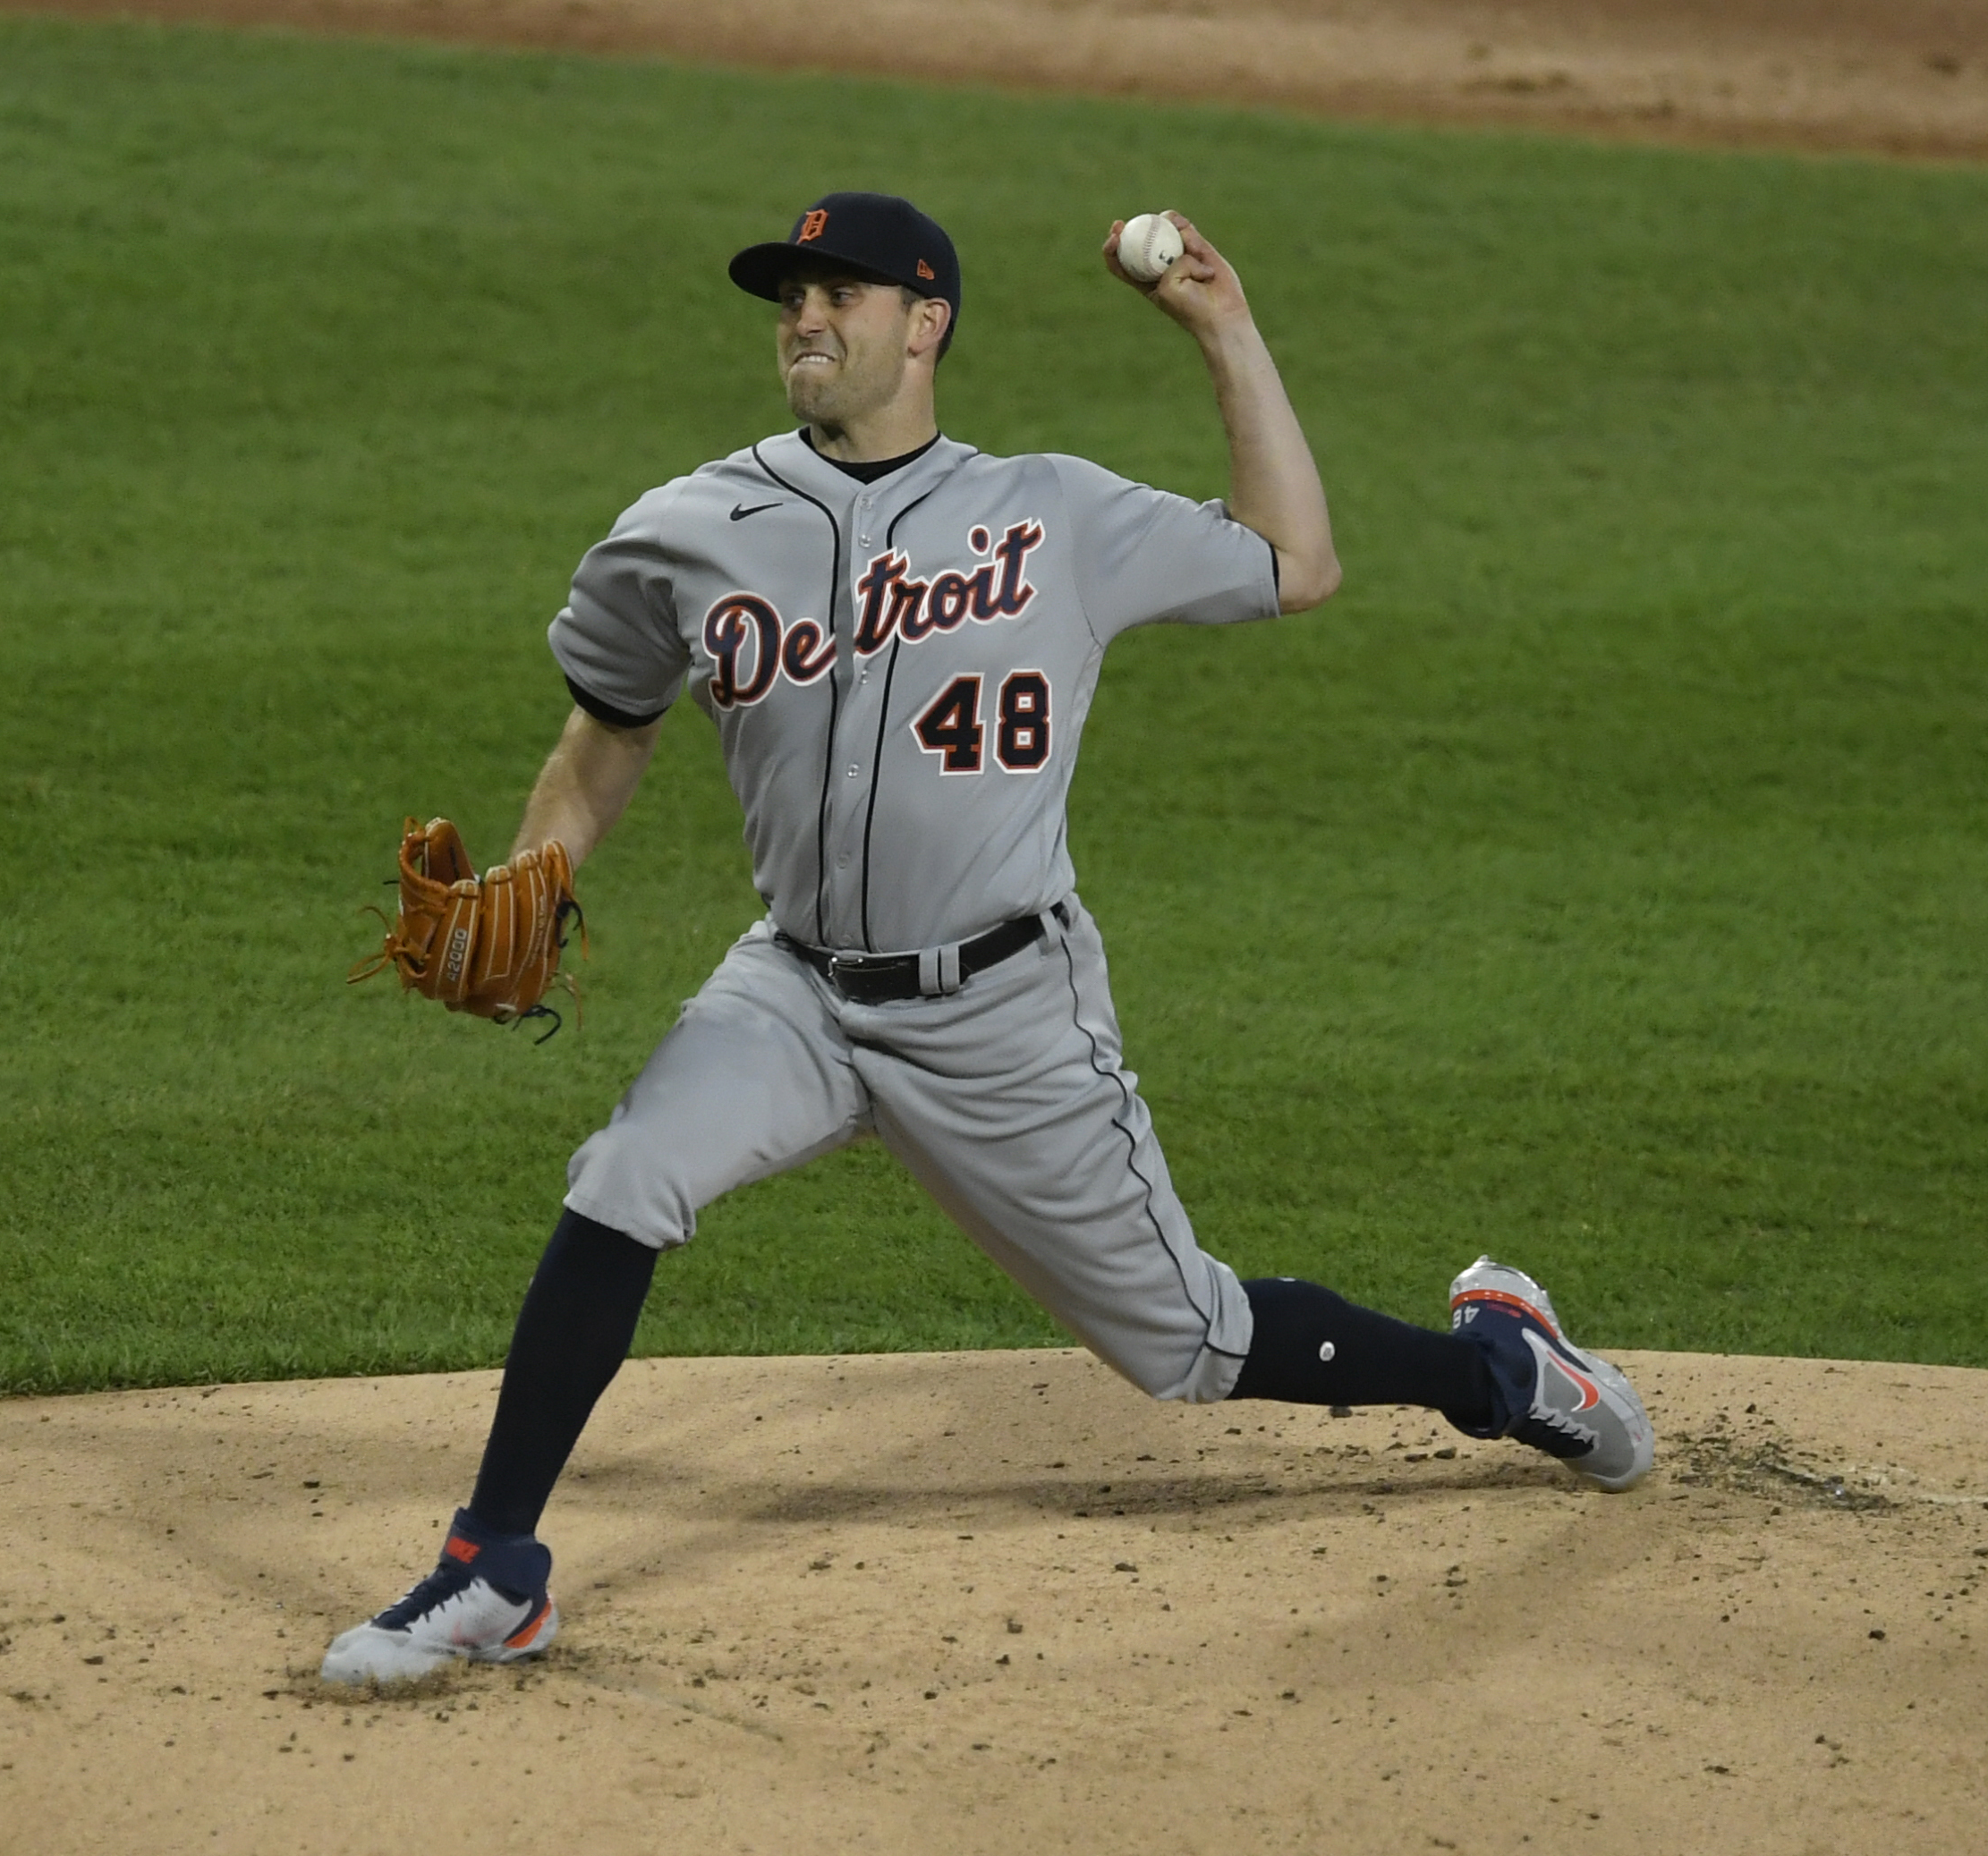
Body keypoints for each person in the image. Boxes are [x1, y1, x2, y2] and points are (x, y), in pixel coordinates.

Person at [319, 192, 1652, 1683]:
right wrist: (534, 870)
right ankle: (492, 1565)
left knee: (1188, 1344)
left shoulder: (1055, 513)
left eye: (840, 294)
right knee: (626, 1175)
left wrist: (1224, 327)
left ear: (927, 321)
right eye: (790, 298)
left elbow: (1298, 561)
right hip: (798, 992)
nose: (805, 319)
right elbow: (605, 736)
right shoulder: (686, 528)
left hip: (1004, 1010)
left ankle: (1498, 1367)